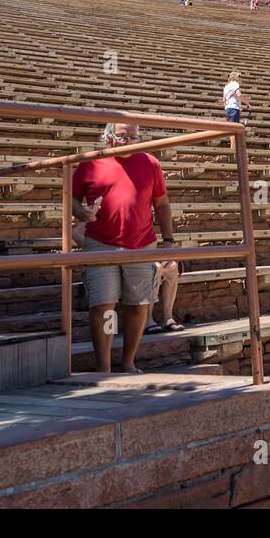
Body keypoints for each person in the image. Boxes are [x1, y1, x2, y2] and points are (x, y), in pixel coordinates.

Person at [71, 123, 176, 373]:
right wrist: (81, 212)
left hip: (141, 244)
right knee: (104, 306)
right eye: (123, 136)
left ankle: (128, 362)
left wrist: (169, 240)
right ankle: (104, 367)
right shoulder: (89, 164)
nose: (129, 140)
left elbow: (161, 203)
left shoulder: (150, 162)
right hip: (100, 243)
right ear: (108, 138)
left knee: (138, 305)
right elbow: (72, 199)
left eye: (134, 136)